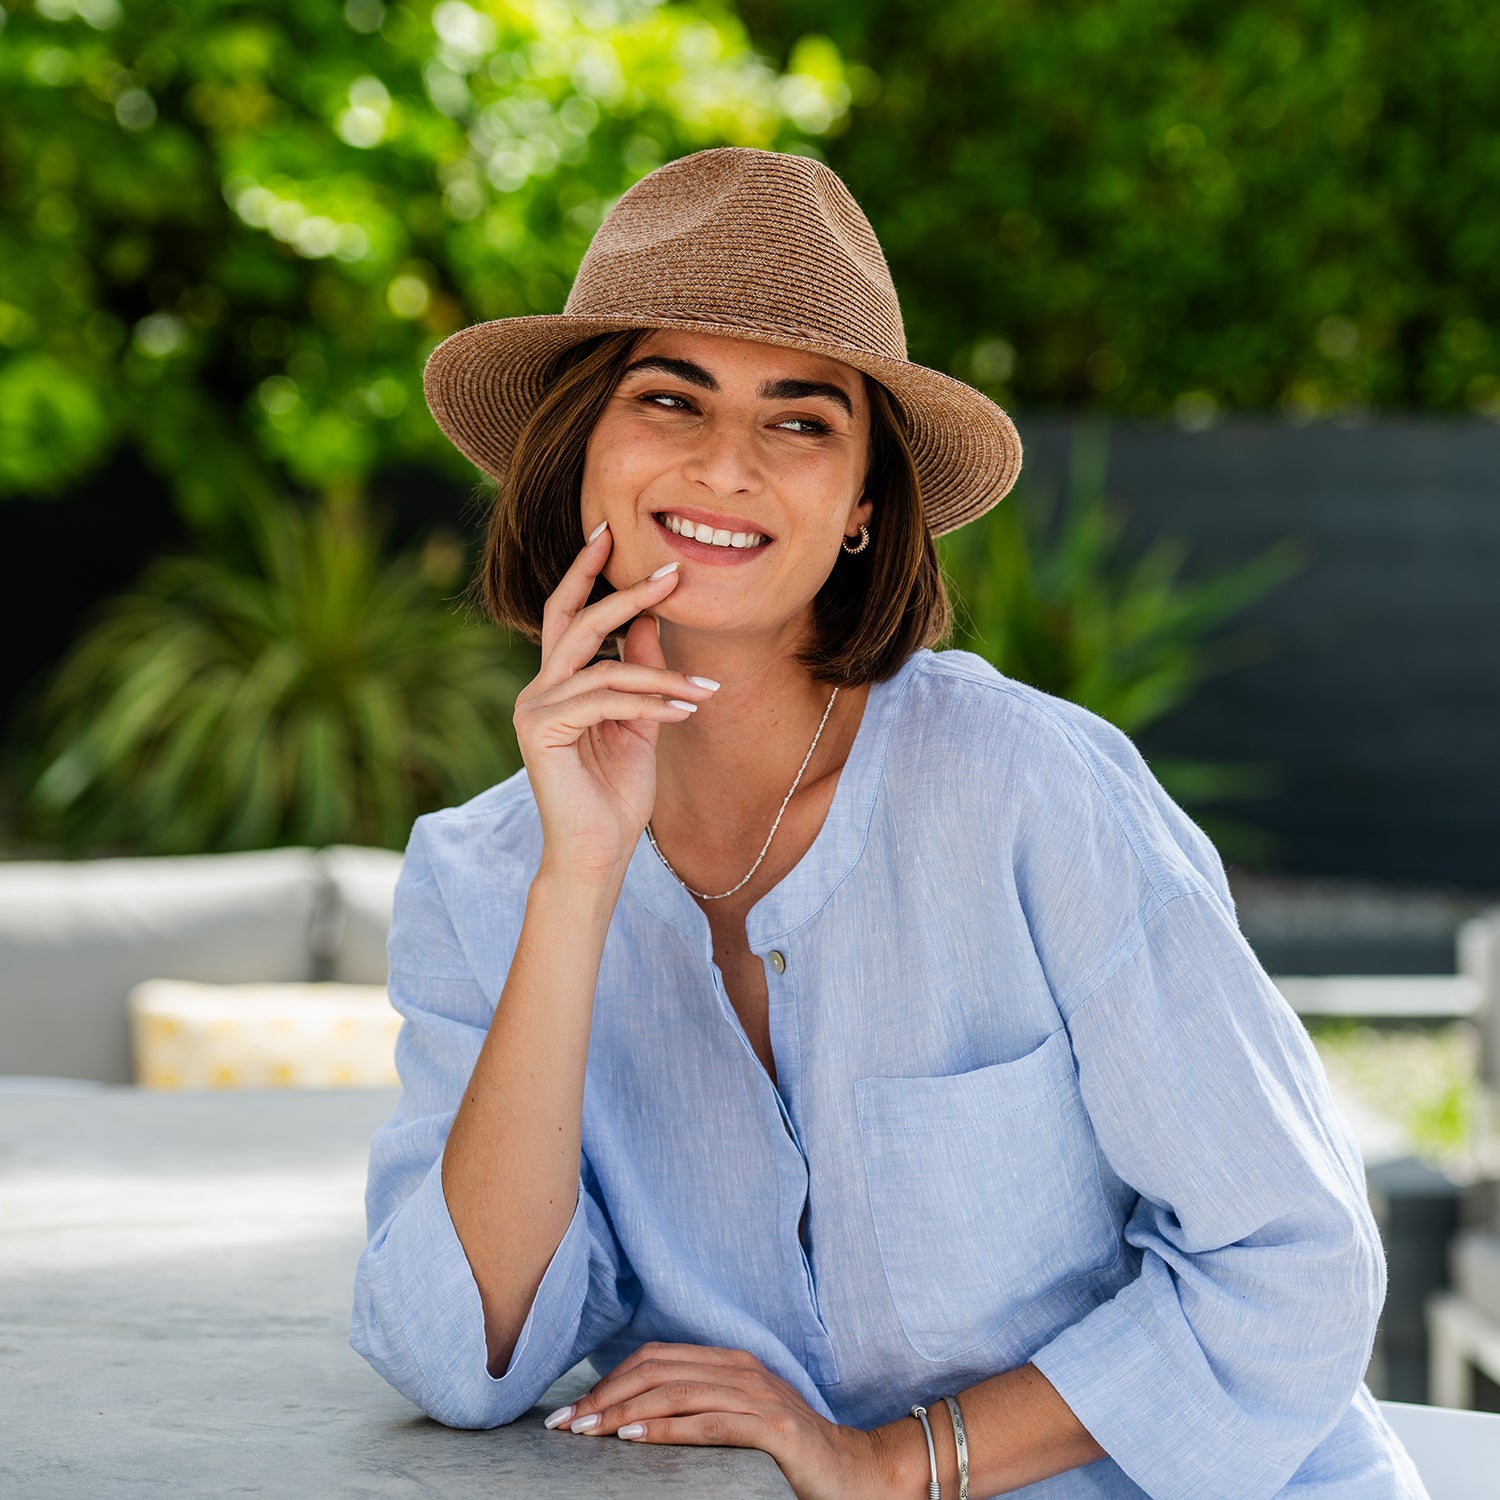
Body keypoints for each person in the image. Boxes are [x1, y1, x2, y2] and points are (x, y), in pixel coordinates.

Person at [350, 147, 1428, 1499]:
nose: (726, 461)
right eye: (667, 397)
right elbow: (463, 1353)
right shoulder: (479, 876)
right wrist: (576, 879)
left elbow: (1297, 1265)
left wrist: (892, 1460)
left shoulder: (1033, 792)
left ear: (864, 506)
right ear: (575, 455)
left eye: (800, 421)